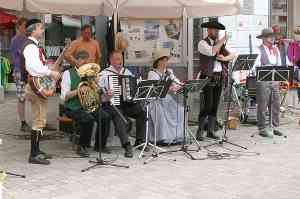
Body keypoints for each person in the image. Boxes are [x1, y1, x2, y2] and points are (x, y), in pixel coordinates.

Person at [22, 19, 61, 165]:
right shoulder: (31, 47)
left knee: (41, 119)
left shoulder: (34, 46)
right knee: (39, 119)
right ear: (33, 30)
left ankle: (37, 151)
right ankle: (33, 154)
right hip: (35, 87)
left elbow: (39, 66)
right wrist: (51, 73)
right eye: (40, 28)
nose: (43, 30)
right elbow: (34, 68)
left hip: (36, 86)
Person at [98, 50, 147, 158]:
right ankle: (127, 145)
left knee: (142, 112)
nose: (119, 61)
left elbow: (134, 89)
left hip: (127, 104)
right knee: (118, 116)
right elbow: (98, 96)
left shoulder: (127, 72)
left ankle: (139, 141)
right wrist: (106, 95)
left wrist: (136, 92)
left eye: (121, 59)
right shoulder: (104, 74)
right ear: (111, 61)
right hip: (111, 104)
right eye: (116, 59)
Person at [60, 56, 111, 157]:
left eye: (87, 63)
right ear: (76, 61)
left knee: (105, 117)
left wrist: (98, 85)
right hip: (72, 107)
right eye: (83, 62)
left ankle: (100, 145)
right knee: (88, 119)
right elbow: (64, 97)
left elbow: (99, 92)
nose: (85, 65)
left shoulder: (90, 75)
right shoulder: (68, 74)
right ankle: (82, 146)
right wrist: (79, 90)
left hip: (88, 105)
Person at [196, 20, 236, 141]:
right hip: (207, 77)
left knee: (215, 106)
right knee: (207, 105)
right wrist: (223, 40)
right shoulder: (202, 43)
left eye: (217, 30)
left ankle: (211, 131)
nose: (217, 32)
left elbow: (233, 55)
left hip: (219, 77)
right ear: (208, 30)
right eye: (214, 30)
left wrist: (224, 57)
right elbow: (211, 51)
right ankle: (200, 131)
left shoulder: (219, 44)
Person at [147, 48, 184, 145]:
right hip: (156, 100)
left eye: (166, 60)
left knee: (180, 110)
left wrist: (179, 85)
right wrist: (169, 88)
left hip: (167, 99)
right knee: (161, 112)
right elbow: (156, 89)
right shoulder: (152, 73)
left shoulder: (169, 71)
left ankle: (176, 137)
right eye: (162, 60)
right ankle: (162, 138)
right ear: (157, 62)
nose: (165, 62)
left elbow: (176, 82)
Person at [254, 28, 284, 138]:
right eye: (271, 36)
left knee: (276, 103)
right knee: (263, 104)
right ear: (264, 38)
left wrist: (277, 55)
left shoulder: (275, 49)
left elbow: (279, 65)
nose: (273, 38)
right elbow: (255, 67)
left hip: (275, 79)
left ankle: (275, 126)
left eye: (273, 36)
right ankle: (262, 128)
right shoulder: (259, 50)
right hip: (263, 80)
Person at [10, 17, 31, 132]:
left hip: (29, 71)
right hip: (19, 72)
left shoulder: (28, 39)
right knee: (22, 98)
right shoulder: (15, 40)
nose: (26, 28)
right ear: (18, 27)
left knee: (33, 96)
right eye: (24, 26)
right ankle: (23, 123)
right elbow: (14, 59)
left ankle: (38, 119)